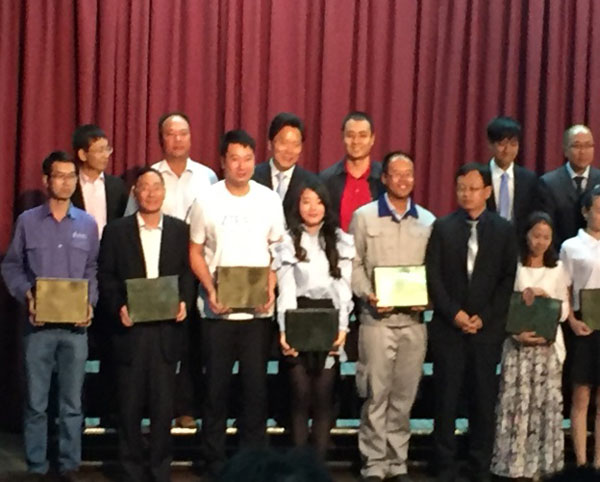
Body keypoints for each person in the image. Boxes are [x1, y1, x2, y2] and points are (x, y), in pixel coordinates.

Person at [189, 129, 285, 478]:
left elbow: (278, 249)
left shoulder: (268, 199)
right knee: (215, 391)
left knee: (255, 392)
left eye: (247, 158)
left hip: (257, 315)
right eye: (234, 159)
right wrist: (210, 289)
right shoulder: (206, 200)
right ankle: (214, 462)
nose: (241, 166)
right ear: (222, 161)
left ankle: (252, 463)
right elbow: (195, 251)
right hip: (217, 313)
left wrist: (270, 287)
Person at [1, 151, 98, 481]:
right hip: (38, 327)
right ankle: (37, 466)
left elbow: (92, 269)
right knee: (36, 403)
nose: (66, 182)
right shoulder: (28, 222)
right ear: (46, 180)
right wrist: (27, 294)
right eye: (60, 176)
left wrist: (90, 303)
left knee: (72, 404)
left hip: (75, 329)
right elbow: (11, 266)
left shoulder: (87, 224)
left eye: (72, 176)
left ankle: (69, 465)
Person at [98, 167, 194, 482]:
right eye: (144, 187)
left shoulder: (180, 231)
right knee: (129, 406)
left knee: (163, 408)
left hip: (167, 331)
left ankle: (160, 469)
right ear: (135, 193)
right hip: (131, 330)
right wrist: (119, 308)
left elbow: (187, 274)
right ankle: (130, 470)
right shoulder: (116, 231)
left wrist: (184, 301)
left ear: (164, 192)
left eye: (156, 187)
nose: (151, 193)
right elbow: (106, 277)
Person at [425, 163, 517, 482]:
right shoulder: (443, 227)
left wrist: (484, 316)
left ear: (487, 192)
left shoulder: (503, 230)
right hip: (448, 329)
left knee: (482, 400)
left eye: (473, 188)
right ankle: (444, 465)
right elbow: (433, 276)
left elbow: (507, 279)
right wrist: (455, 314)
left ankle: (480, 464)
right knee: (446, 400)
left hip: (486, 330)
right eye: (461, 188)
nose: (466, 194)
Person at [126, 111, 218, 428]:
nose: (177, 140)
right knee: (156, 345)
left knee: (192, 343)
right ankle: (152, 409)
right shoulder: (149, 179)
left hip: (197, 268)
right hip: (157, 271)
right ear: (160, 139)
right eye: (171, 134)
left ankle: (187, 407)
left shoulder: (207, 177)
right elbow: (130, 224)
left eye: (183, 133)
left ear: (191, 137)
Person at [350, 150, 435, 482]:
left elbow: (433, 270)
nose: (403, 179)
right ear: (384, 178)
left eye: (408, 173)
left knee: (404, 396)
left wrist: (427, 299)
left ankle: (397, 461)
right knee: (376, 394)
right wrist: (367, 294)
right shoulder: (364, 217)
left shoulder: (428, 221)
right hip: (376, 321)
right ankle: (373, 462)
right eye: (396, 174)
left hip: (413, 324)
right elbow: (354, 263)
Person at [274, 180, 354, 458]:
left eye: (318, 202)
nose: (312, 208)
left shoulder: (340, 240)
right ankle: (298, 466)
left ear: (326, 205)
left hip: (329, 318)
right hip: (298, 316)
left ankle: (318, 467)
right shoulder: (287, 241)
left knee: (322, 398)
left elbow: (343, 290)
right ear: (297, 205)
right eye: (306, 201)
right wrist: (284, 330)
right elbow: (286, 290)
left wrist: (342, 329)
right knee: (299, 396)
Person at [491, 211, 570, 479]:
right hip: (518, 348)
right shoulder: (514, 266)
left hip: (547, 349)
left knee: (543, 407)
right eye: (536, 235)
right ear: (526, 235)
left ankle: (541, 465)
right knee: (517, 406)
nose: (540, 242)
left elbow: (565, 311)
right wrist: (516, 333)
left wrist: (548, 300)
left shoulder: (557, 268)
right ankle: (513, 465)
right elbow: (503, 305)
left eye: (546, 237)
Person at [560, 185, 600, 469]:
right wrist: (572, 320)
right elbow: (565, 287)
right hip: (584, 325)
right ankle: (582, 462)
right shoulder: (571, 246)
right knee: (581, 395)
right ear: (586, 212)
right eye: (598, 210)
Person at [319, 111, 384, 232]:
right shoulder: (326, 180)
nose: (356, 141)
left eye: (362, 135)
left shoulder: (384, 179)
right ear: (342, 137)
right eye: (350, 135)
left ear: (372, 139)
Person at [252, 112, 321, 225]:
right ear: (270, 144)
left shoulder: (312, 183)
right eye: (283, 143)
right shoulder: (252, 178)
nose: (289, 151)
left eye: (296, 144)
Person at [537, 124, 600, 246]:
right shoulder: (548, 183)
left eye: (588, 146)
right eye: (577, 146)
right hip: (559, 251)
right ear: (565, 150)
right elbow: (546, 225)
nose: (583, 152)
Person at [71, 124, 128, 238]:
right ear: (82, 155)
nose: (106, 156)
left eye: (107, 149)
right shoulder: (71, 185)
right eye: (100, 151)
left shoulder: (117, 186)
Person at [484, 116, 537, 237]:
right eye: (502, 144)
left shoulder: (529, 179)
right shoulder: (480, 176)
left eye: (513, 144)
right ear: (490, 144)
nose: (507, 150)